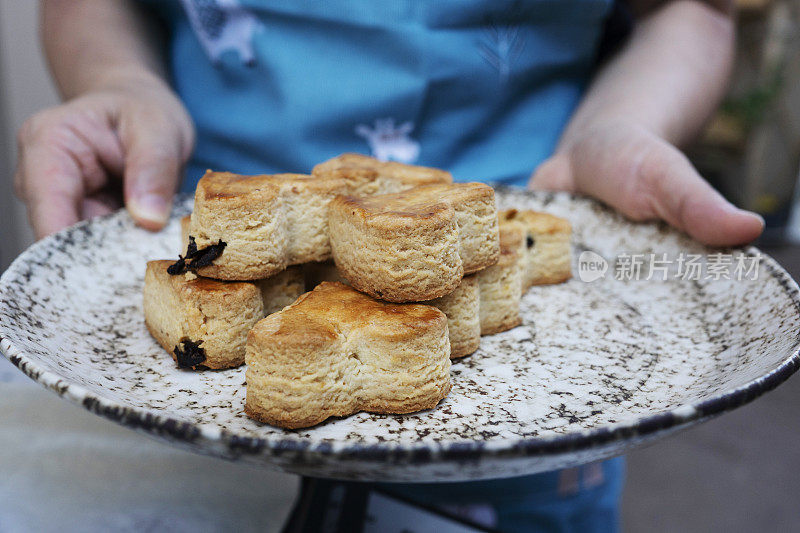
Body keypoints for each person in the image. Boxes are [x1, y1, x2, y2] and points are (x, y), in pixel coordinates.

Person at [14, 1, 763, 531]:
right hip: (217, 256)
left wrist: (622, 124)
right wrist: (120, 81)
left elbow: (694, 9)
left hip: (514, 263)